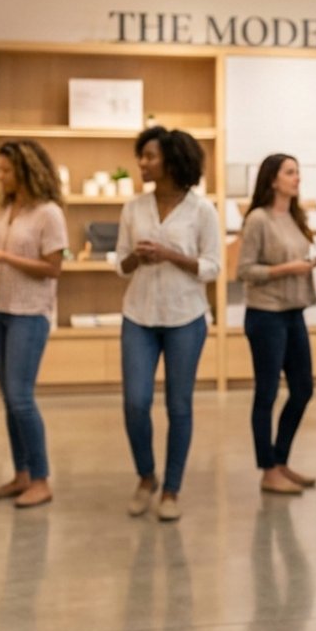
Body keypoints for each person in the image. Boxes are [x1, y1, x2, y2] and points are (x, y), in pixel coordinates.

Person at [116, 127, 221, 521]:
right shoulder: (133, 208)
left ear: (173, 160)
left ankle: (172, 489)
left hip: (186, 318)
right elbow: (120, 265)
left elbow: (212, 267)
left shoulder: (202, 210)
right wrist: (137, 259)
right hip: (138, 315)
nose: (142, 163)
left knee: (179, 405)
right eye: (141, 156)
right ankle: (146, 476)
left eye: (149, 156)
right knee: (135, 402)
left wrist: (170, 255)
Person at [0, 140, 68, 509]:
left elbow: (53, 268)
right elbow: (4, 258)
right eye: (0, 170)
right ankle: (21, 475)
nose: (0, 176)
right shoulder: (7, 210)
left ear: (27, 170)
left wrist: (3, 257)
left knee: (21, 398)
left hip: (29, 313)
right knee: (10, 400)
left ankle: (41, 478)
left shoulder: (48, 214)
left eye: (7, 170)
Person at [238, 154, 316, 495]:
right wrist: (288, 269)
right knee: (267, 392)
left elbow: (294, 261)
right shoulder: (258, 220)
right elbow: (245, 271)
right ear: (272, 180)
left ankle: (280, 461)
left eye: (298, 172)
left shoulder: (294, 217)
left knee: (303, 388)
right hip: (265, 314)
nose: (297, 178)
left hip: (294, 312)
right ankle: (267, 470)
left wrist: (310, 263)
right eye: (290, 172)